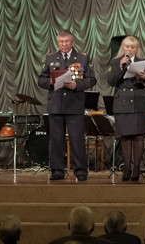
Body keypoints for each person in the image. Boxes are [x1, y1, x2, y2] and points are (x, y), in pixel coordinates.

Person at [38, 29, 97, 181]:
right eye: (61, 42)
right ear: (57, 42)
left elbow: (91, 79)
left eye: (66, 41)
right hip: (56, 105)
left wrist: (77, 85)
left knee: (77, 140)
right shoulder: (51, 58)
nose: (64, 44)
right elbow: (41, 80)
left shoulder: (82, 57)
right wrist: (52, 82)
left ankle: (81, 172)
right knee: (56, 140)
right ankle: (57, 171)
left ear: (72, 42)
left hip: (74, 104)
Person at [107, 35, 145, 181]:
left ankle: (136, 168)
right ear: (123, 47)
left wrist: (144, 77)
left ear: (136, 49)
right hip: (123, 103)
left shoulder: (143, 62)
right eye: (127, 46)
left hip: (138, 103)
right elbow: (111, 81)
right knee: (125, 136)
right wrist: (120, 67)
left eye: (132, 47)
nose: (129, 49)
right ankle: (127, 168)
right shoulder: (115, 62)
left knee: (138, 136)